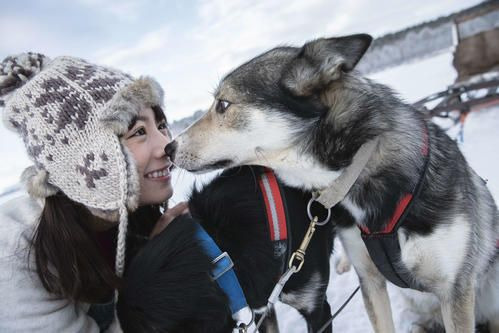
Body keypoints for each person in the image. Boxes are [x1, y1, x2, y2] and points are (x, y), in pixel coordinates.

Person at [0, 52, 202, 332]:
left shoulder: (136, 218)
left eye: (161, 125)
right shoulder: (14, 256)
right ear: (83, 157)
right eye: (139, 131)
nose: (166, 145)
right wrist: (153, 271)